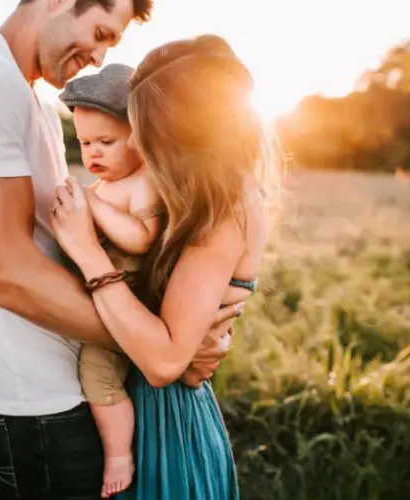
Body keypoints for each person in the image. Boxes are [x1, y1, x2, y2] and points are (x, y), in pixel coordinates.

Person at [0, 1, 247, 498]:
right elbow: (8, 274)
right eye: (100, 31)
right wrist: (162, 347)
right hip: (30, 403)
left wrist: (170, 338)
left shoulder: (35, 102)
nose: (100, 55)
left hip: (65, 391)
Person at [50, 33, 282, 499]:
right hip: (148, 405)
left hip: (168, 422)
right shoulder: (196, 196)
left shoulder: (223, 207)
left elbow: (164, 361)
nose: (140, 146)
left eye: (145, 131)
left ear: (181, 133)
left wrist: (88, 252)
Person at [59, 62, 162, 497]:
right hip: (99, 300)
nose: (94, 153)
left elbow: (141, 238)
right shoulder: (104, 186)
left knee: (96, 374)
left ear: (139, 137)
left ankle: (119, 453)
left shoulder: (143, 183)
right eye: (85, 143)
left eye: (106, 141)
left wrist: (92, 206)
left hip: (128, 309)